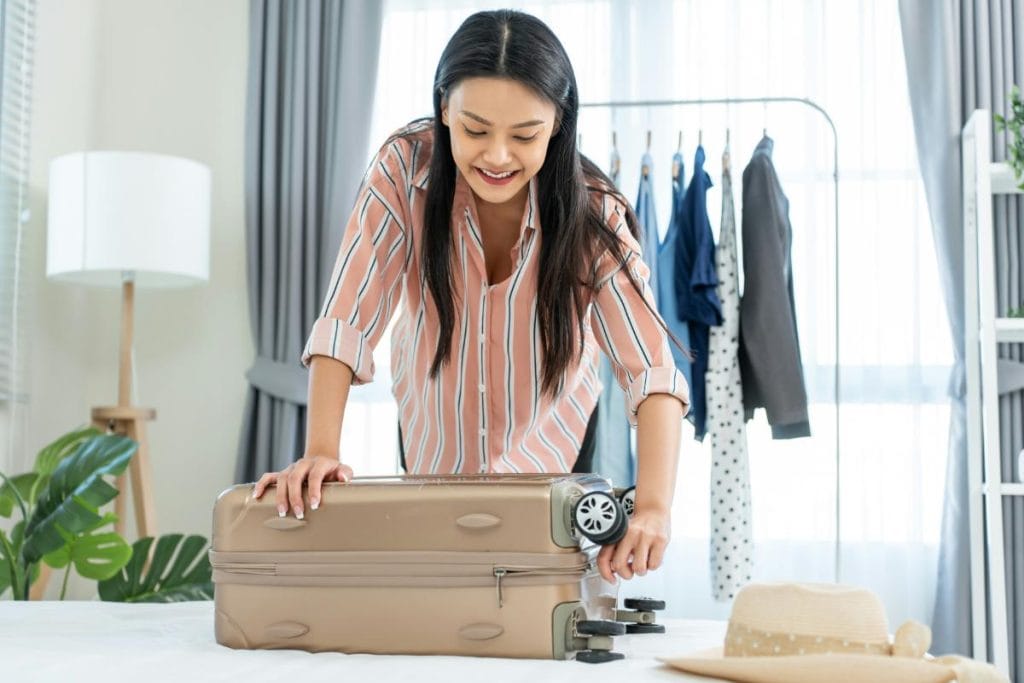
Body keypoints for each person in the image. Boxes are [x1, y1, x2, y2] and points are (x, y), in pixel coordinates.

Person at [253, 9, 689, 583]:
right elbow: (346, 319)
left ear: (558, 123)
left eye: (525, 135)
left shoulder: (593, 212)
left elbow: (652, 371)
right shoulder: (404, 170)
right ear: (444, 111)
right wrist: (321, 450)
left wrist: (654, 509)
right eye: (476, 130)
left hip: (551, 463)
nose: (499, 156)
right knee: (440, 601)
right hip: (432, 447)